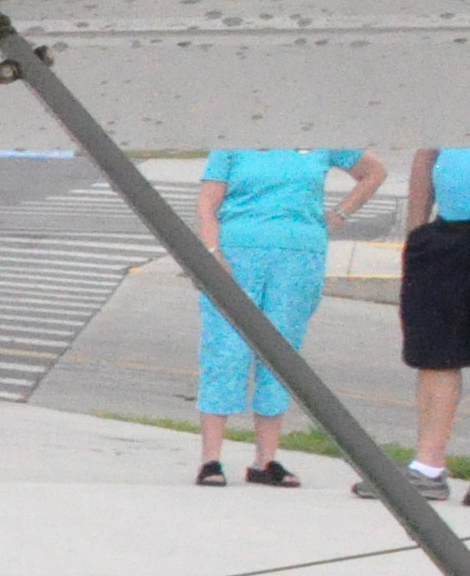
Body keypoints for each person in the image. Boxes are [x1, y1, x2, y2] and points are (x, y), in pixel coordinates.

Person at [192, 146, 388, 484]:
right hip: (238, 255)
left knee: (281, 351)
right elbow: (208, 204)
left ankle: (266, 460)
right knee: (226, 350)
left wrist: (340, 213)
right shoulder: (235, 144)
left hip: (299, 257)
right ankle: (211, 459)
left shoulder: (321, 140)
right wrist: (212, 251)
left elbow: (374, 172)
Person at [389, 145, 470, 501]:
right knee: (435, 353)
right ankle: (427, 468)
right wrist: (416, 231)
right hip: (444, 236)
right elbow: (425, 154)